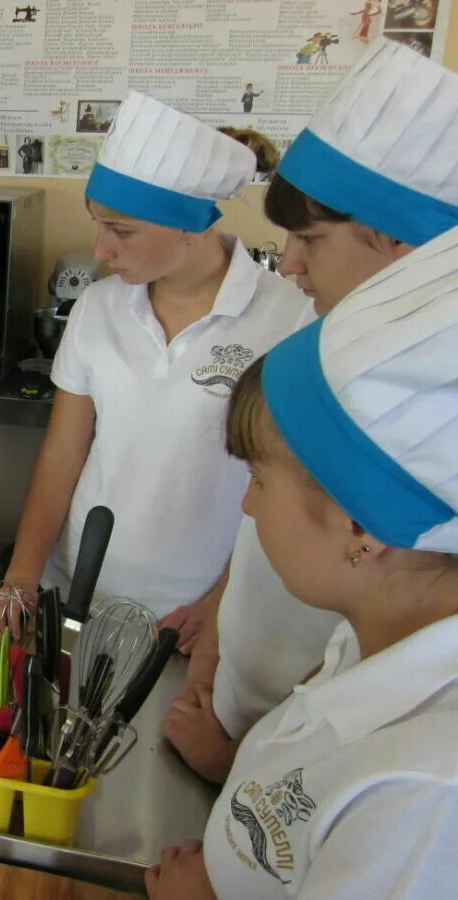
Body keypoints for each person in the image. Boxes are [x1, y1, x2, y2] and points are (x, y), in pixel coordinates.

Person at [164, 38, 458, 782]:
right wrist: (223, 627)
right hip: (252, 718)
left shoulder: (427, 416)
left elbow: (390, 652)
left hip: (314, 769)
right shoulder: (320, 317)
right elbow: (265, 509)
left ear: (396, 242)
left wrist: (245, 767)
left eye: (311, 239)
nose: (288, 262)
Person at [146, 225, 458, 900]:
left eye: (257, 478)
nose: (250, 512)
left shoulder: (426, 788)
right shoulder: (367, 638)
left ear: (362, 525)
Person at [0, 91, 308, 640]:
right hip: (76, 589)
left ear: (188, 225)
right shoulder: (99, 308)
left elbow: (285, 487)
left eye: (121, 231)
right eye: (97, 224)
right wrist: (22, 577)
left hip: (190, 616)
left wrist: (221, 602)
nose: (102, 250)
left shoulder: (286, 320)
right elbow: (62, 455)